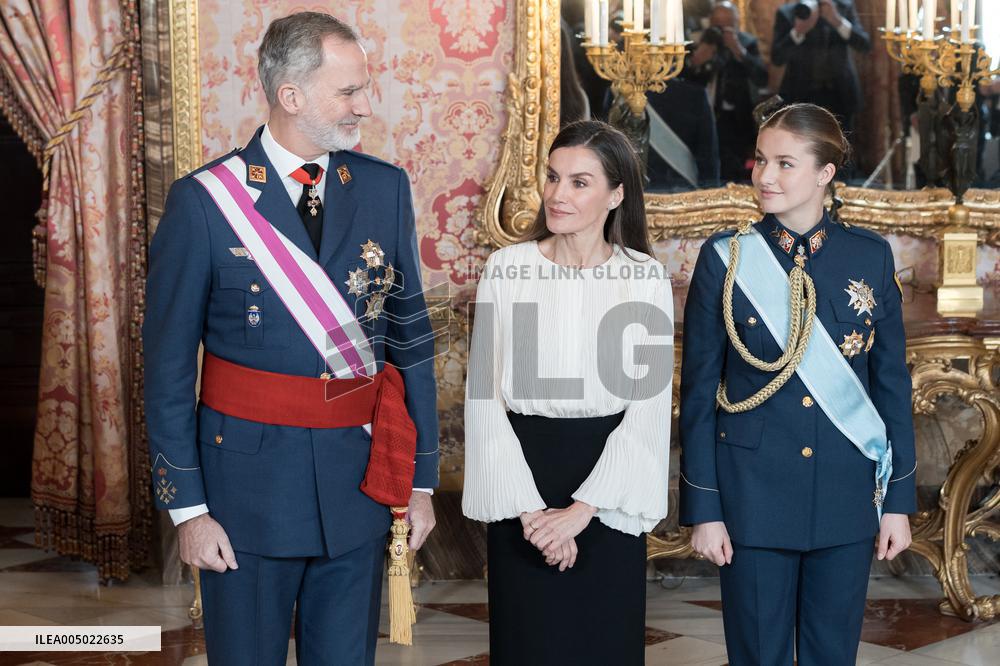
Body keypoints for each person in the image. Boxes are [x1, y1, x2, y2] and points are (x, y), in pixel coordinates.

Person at [143, 12, 439, 665]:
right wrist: (188, 512)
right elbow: (165, 372)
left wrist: (420, 482)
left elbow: (409, 343)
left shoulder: (384, 189)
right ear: (291, 96)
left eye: (364, 88)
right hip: (243, 492)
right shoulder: (204, 202)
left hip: (357, 485)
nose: (365, 105)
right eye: (349, 91)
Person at [679, 103, 916, 664]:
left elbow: (890, 388)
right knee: (757, 654)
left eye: (785, 163)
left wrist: (897, 502)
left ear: (825, 173)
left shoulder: (871, 256)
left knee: (832, 654)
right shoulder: (726, 259)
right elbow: (696, 395)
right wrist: (704, 508)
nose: (764, 176)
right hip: (751, 495)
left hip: (845, 492)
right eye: (761, 160)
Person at [462, 120, 673, 665]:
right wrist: (534, 514)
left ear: (616, 194)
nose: (557, 194)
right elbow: (485, 398)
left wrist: (583, 510)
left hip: (608, 491)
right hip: (523, 484)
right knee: (529, 643)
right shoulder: (509, 269)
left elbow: (647, 409)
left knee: (604, 643)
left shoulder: (643, 277)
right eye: (553, 177)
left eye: (580, 182)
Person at [685, 1, 768, 183]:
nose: (722, 30)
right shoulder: (701, 42)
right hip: (704, 114)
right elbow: (684, 81)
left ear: (736, 24)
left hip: (735, 119)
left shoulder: (747, 42)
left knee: (734, 169)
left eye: (727, 24)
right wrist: (698, 60)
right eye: (718, 24)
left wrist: (739, 50)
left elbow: (761, 76)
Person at [771, 0, 870, 140]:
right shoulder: (788, 13)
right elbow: (777, 58)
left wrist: (838, 21)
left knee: (842, 150)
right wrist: (797, 32)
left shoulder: (843, 7)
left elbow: (864, 45)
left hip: (840, 95)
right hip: (800, 97)